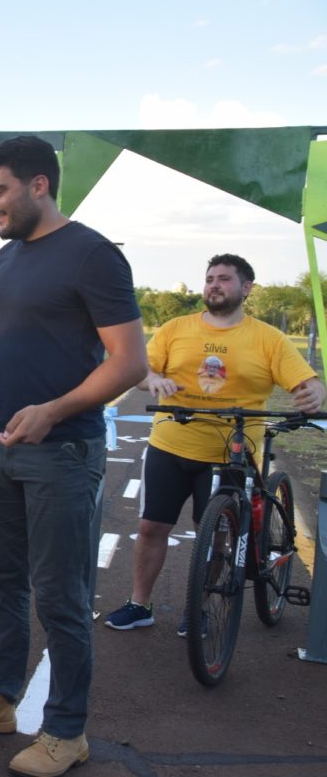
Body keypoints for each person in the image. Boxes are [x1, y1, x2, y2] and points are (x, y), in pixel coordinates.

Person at [0, 136, 146, 777]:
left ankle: (66, 732)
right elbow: (9, 331)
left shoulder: (93, 256)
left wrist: (54, 409)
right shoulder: (11, 255)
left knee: (62, 597)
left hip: (62, 454)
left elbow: (131, 363)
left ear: (39, 185)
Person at [105, 254, 324, 634]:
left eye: (224, 279)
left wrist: (314, 393)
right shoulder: (176, 329)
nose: (214, 285)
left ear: (246, 288)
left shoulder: (268, 339)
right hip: (169, 447)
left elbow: (306, 381)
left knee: (220, 534)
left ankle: (201, 606)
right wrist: (153, 380)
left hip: (230, 454)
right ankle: (139, 604)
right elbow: (142, 370)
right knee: (151, 527)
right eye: (209, 279)